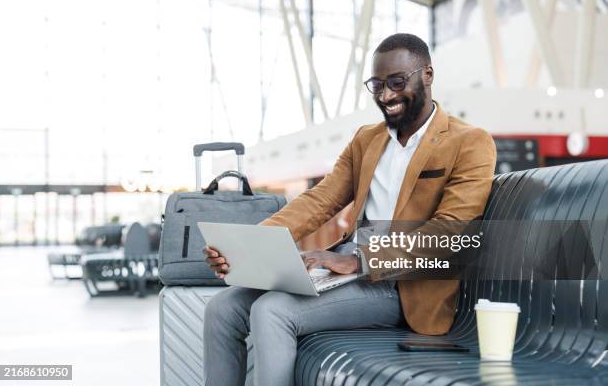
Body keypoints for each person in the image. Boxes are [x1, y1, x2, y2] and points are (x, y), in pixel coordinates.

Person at [202, 33, 496, 386]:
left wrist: (361, 260)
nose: (386, 96)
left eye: (397, 83)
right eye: (377, 85)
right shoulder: (366, 140)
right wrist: (248, 246)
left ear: (428, 75)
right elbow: (320, 199)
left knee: (272, 311)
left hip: (403, 285)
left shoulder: (469, 142)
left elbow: (449, 231)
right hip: (344, 271)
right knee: (222, 309)